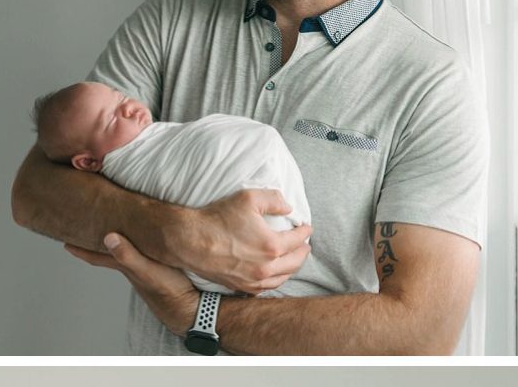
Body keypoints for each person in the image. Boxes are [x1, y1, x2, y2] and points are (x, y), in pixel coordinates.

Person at [9, 0, 486, 357]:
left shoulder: (428, 85)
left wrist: (195, 312)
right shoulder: (168, 24)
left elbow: (422, 331)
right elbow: (34, 191)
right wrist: (181, 235)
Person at [30, 83, 311, 295]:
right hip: (228, 265)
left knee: (259, 142)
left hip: (266, 250)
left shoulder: (145, 134)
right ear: (88, 162)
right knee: (259, 142)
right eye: (113, 119)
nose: (129, 107)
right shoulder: (127, 165)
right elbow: (30, 194)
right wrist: (189, 235)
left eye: (121, 97)